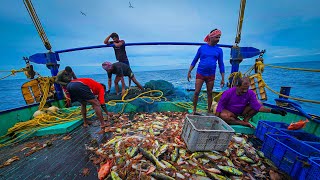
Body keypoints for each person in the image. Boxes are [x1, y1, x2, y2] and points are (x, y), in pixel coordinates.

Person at [215, 77, 287, 128]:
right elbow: (220, 105)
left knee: (259, 102)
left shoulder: (250, 93)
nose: (245, 91)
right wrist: (216, 119)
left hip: (242, 111)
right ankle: (242, 122)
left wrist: (273, 110)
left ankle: (246, 120)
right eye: (243, 89)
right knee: (224, 116)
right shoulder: (228, 92)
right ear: (237, 86)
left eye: (246, 89)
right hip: (229, 111)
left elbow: (258, 107)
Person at [187, 29, 225, 115]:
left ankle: (208, 111)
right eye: (216, 37)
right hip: (200, 73)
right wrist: (189, 71)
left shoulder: (219, 50)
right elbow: (195, 60)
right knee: (196, 92)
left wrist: (223, 78)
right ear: (211, 37)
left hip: (211, 75)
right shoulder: (202, 48)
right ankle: (194, 110)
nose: (218, 39)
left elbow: (221, 64)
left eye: (219, 37)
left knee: (210, 93)